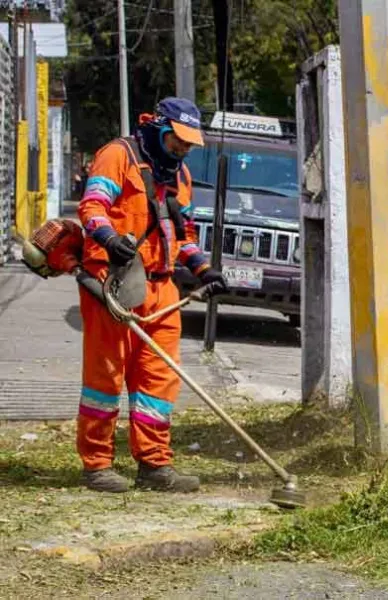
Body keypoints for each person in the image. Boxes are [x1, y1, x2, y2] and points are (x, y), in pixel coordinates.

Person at [76, 97, 228, 493]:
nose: (182, 149)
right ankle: (97, 465)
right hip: (114, 281)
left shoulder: (180, 176)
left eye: (188, 144)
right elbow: (92, 207)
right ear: (159, 128)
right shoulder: (117, 155)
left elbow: (185, 234)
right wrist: (108, 238)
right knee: (105, 377)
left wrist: (202, 269)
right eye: (177, 140)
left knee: (158, 382)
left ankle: (154, 465)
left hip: (161, 287)